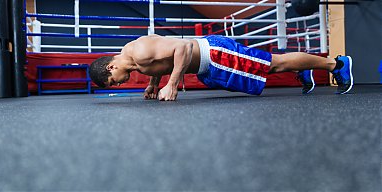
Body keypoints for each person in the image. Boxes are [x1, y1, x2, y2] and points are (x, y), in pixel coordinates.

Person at [89, 34, 353, 101]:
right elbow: (160, 64)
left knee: (272, 64)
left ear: (111, 68)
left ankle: (336, 64)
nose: (119, 84)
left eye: (113, 81)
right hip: (210, 66)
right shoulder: (134, 61)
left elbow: (181, 47)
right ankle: (305, 69)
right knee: (268, 67)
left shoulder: (139, 51)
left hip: (214, 53)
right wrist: (152, 84)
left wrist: (171, 85)